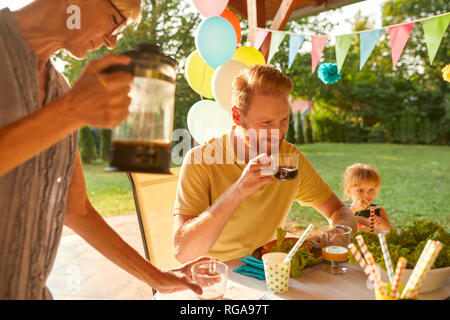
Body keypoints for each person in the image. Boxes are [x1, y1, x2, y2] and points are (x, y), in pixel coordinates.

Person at [0, 0, 208, 300]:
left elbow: (78, 210)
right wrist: (71, 111)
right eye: (114, 19)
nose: (112, 40)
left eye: (120, 30)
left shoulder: (60, 89)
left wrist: (158, 277)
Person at [172, 65, 357, 263]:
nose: (278, 132)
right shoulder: (201, 161)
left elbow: (340, 211)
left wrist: (337, 233)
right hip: (219, 278)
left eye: (284, 120)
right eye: (266, 123)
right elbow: (183, 251)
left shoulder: (289, 159)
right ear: (237, 116)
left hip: (268, 274)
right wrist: (238, 191)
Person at [343, 163, 393, 232]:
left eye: (371, 190)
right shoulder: (345, 211)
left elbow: (392, 232)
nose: (367, 195)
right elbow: (340, 227)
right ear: (348, 191)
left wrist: (382, 224)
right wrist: (354, 209)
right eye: (360, 190)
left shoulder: (379, 211)